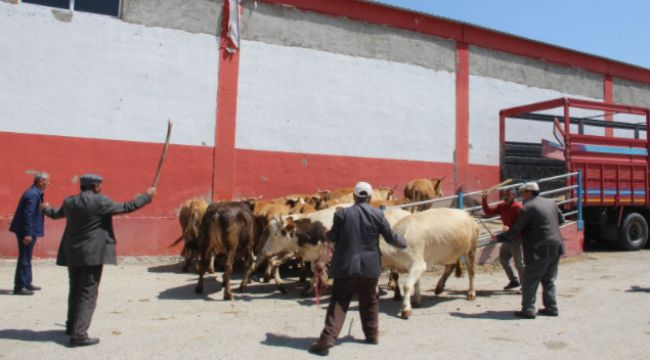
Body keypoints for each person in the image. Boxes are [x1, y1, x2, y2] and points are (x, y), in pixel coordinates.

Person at [43, 174, 156, 347]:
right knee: (88, 292)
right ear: (94, 186)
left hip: (72, 253)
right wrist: (146, 196)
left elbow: (55, 214)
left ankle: (72, 326)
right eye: (100, 185)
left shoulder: (69, 202)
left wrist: (45, 208)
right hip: (92, 254)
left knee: (75, 289)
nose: (101, 187)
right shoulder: (100, 202)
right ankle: (79, 334)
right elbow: (128, 206)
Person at [309, 181, 407, 356]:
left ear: (354, 196)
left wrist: (324, 233)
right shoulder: (378, 214)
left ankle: (328, 339)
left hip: (345, 266)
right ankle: (372, 335)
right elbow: (391, 237)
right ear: (369, 197)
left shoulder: (342, 214)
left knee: (339, 301)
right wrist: (405, 243)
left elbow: (333, 236)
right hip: (370, 268)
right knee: (369, 301)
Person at [494, 182, 565, 319]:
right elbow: (560, 220)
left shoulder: (527, 208)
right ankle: (551, 307)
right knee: (549, 279)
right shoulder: (551, 203)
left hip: (538, 248)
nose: (521, 196)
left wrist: (499, 237)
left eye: (522, 193)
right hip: (555, 246)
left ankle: (528, 309)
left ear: (529, 192)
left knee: (530, 278)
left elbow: (516, 230)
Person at [9, 172, 50, 295]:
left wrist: (41, 207)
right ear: (39, 181)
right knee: (24, 258)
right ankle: (20, 286)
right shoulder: (32, 194)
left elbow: (31, 211)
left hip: (27, 229)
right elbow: (27, 215)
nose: (48, 183)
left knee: (27, 257)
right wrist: (28, 233)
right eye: (46, 181)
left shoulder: (35, 193)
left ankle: (27, 282)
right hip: (26, 230)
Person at [481, 188, 524, 290]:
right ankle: (514, 281)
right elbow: (488, 212)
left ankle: (525, 285)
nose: (504, 197)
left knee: (519, 264)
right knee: (504, 260)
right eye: (504, 195)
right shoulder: (502, 206)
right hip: (507, 238)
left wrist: (508, 229)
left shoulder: (518, 207)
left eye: (507, 195)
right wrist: (484, 199)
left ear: (513, 196)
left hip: (517, 239)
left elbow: (520, 226)